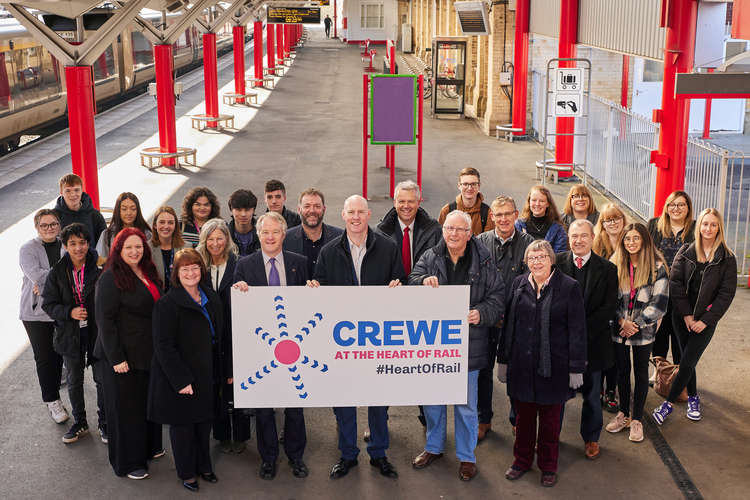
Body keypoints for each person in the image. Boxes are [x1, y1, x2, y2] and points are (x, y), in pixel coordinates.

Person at [309, 194, 405, 480]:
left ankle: (379, 453)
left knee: (378, 400)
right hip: (342, 342)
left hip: (376, 340)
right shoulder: (328, 251)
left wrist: (397, 286)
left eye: (360, 212)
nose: (355, 217)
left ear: (368, 215)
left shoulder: (388, 248)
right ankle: (348, 454)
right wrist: (315, 288)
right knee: (344, 401)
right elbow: (321, 286)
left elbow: (398, 279)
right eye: (350, 212)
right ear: (343, 215)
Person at [409, 210, 504, 481]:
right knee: (433, 401)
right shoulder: (431, 256)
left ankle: (466, 456)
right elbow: (411, 280)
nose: (453, 234)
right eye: (449, 228)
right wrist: (421, 282)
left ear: (469, 233)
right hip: (435, 345)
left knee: (465, 406)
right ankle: (433, 447)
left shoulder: (484, 259)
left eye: (459, 230)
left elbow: (498, 296)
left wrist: (481, 314)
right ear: (443, 231)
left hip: (468, 347)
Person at [498, 240, 586, 487]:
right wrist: (503, 360)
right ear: (526, 262)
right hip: (522, 366)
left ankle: (548, 466)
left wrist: (576, 367)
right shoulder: (518, 284)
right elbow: (509, 326)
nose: (536, 262)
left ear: (551, 260)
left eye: (541, 257)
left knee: (549, 423)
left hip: (554, 369)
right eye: (532, 258)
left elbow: (577, 330)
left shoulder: (569, 287)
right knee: (523, 420)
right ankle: (521, 461)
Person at [234, 212, 310, 479]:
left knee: (295, 405)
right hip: (261, 347)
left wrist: (314, 289)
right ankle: (268, 459)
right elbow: (238, 309)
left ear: (284, 235)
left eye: (275, 232)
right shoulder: (245, 265)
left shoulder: (300, 264)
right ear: (258, 235)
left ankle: (296, 457)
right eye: (265, 232)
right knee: (264, 408)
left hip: (293, 346)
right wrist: (238, 288)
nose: (269, 237)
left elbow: (310, 305)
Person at [653, 208, 737, 425]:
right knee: (686, 359)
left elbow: (725, 294)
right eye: (705, 224)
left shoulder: (727, 259)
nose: (708, 228)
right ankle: (693, 399)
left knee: (689, 360)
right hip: (681, 318)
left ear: (719, 229)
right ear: (698, 226)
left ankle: (667, 404)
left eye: (713, 224)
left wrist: (704, 320)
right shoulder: (686, 251)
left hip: (705, 322)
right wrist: (688, 317)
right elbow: (676, 285)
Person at [149, 249, 223, 493]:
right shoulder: (167, 304)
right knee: (183, 428)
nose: (191, 273)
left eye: (195, 268)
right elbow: (163, 346)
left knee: (204, 424)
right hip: (181, 376)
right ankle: (187, 472)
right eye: (185, 269)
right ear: (176, 274)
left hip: (208, 371)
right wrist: (181, 380)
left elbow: (221, 336)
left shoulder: (210, 297)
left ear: (201, 270)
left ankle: (204, 466)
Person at [95, 228, 163, 480]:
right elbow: (105, 321)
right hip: (122, 358)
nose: (135, 251)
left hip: (146, 353)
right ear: (118, 250)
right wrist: (116, 359)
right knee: (126, 412)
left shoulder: (147, 271)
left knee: (144, 405)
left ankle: (147, 449)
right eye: (128, 248)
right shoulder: (110, 278)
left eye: (139, 246)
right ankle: (128, 462)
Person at [555, 220, 618, 460]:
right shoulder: (556, 263)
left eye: (583, 236)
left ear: (592, 237)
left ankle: (591, 438)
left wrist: (580, 333)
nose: (578, 240)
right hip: (561, 344)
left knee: (592, 396)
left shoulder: (608, 269)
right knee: (558, 395)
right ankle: (552, 435)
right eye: (574, 236)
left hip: (594, 343)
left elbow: (608, 308)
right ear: (568, 238)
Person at [41, 223, 106, 444]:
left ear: (89, 244)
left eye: (82, 243)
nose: (78, 248)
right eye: (73, 244)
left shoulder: (98, 269)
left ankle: (105, 422)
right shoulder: (57, 272)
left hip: (97, 332)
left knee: (101, 379)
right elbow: (48, 304)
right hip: (69, 334)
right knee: (74, 379)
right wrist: (69, 312)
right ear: (65, 245)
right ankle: (80, 423)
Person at [475, 195, 533, 440]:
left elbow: (532, 284)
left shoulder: (530, 244)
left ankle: (516, 418)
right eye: (498, 215)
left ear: (516, 214)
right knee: (483, 369)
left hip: (516, 320)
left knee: (515, 371)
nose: (503, 219)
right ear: (492, 217)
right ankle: (483, 419)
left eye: (508, 214)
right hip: (486, 319)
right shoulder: (479, 242)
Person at [605, 223, 668, 443]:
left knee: (641, 373)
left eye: (636, 238)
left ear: (644, 240)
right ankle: (623, 413)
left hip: (643, 331)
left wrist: (637, 324)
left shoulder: (657, 267)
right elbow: (609, 298)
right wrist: (622, 321)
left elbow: (659, 303)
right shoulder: (614, 264)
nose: (631, 243)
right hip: (619, 328)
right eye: (627, 239)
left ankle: (637, 419)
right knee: (622, 370)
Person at [196, 218, 251, 454]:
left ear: (227, 240)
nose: (215, 243)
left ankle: (240, 436)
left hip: (235, 333)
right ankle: (221, 435)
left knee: (237, 387)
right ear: (204, 241)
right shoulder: (198, 265)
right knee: (215, 387)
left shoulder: (239, 264)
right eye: (211, 239)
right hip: (207, 335)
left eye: (220, 238)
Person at [19, 209, 67, 424]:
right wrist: (60, 276)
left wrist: (49, 282)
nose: (49, 228)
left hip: (60, 309)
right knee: (45, 358)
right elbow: (37, 276)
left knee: (59, 355)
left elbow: (77, 270)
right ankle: (52, 400)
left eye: (53, 224)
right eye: (44, 225)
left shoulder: (66, 245)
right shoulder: (27, 249)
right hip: (35, 313)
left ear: (59, 225)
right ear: (37, 227)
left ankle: (55, 392)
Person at [648, 191, 695, 367]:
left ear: (688, 208)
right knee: (659, 331)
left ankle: (679, 371)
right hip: (659, 287)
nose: (676, 208)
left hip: (684, 290)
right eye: (672, 205)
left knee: (680, 332)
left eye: (681, 204)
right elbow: (646, 251)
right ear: (666, 208)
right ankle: (660, 369)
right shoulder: (654, 225)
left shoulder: (694, 228)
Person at [592, 203, 628, 412]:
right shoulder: (597, 244)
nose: (613, 223)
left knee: (618, 351)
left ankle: (611, 389)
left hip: (624, 304)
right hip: (604, 304)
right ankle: (598, 387)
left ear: (623, 220)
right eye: (608, 220)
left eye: (616, 218)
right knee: (602, 347)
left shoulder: (631, 241)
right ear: (602, 224)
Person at [284, 188, 343, 277]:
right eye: (307, 206)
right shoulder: (285, 239)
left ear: (324, 209)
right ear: (299, 209)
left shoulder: (340, 237)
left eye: (317, 206)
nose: (312, 211)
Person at [54, 173, 107, 247]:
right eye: (68, 191)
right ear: (61, 193)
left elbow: (103, 243)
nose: (73, 194)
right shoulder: (54, 216)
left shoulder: (95, 215)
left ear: (82, 190)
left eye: (76, 190)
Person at [438, 167, 494, 235]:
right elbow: (441, 239)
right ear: (459, 186)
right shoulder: (447, 211)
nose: (469, 188)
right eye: (465, 184)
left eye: (473, 184)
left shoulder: (488, 213)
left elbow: (487, 243)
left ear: (479, 186)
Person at [96, 192, 151, 259]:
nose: (129, 213)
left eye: (133, 209)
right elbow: (100, 261)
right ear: (118, 211)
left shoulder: (147, 234)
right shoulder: (107, 235)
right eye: (124, 209)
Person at [515, 185, 568, 253]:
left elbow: (559, 256)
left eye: (542, 201)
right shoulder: (518, 226)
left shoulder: (558, 229)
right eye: (534, 200)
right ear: (529, 202)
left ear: (548, 203)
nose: (537, 204)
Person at [149, 206, 186, 291]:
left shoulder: (186, 247)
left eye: (170, 223)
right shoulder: (147, 248)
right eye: (162, 222)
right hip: (156, 298)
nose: (166, 226)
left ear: (175, 225)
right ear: (155, 225)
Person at [228, 189, 260, 257]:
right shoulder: (224, 235)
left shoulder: (264, 233)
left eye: (247, 210)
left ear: (253, 210)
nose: (243, 214)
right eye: (238, 210)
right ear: (231, 209)